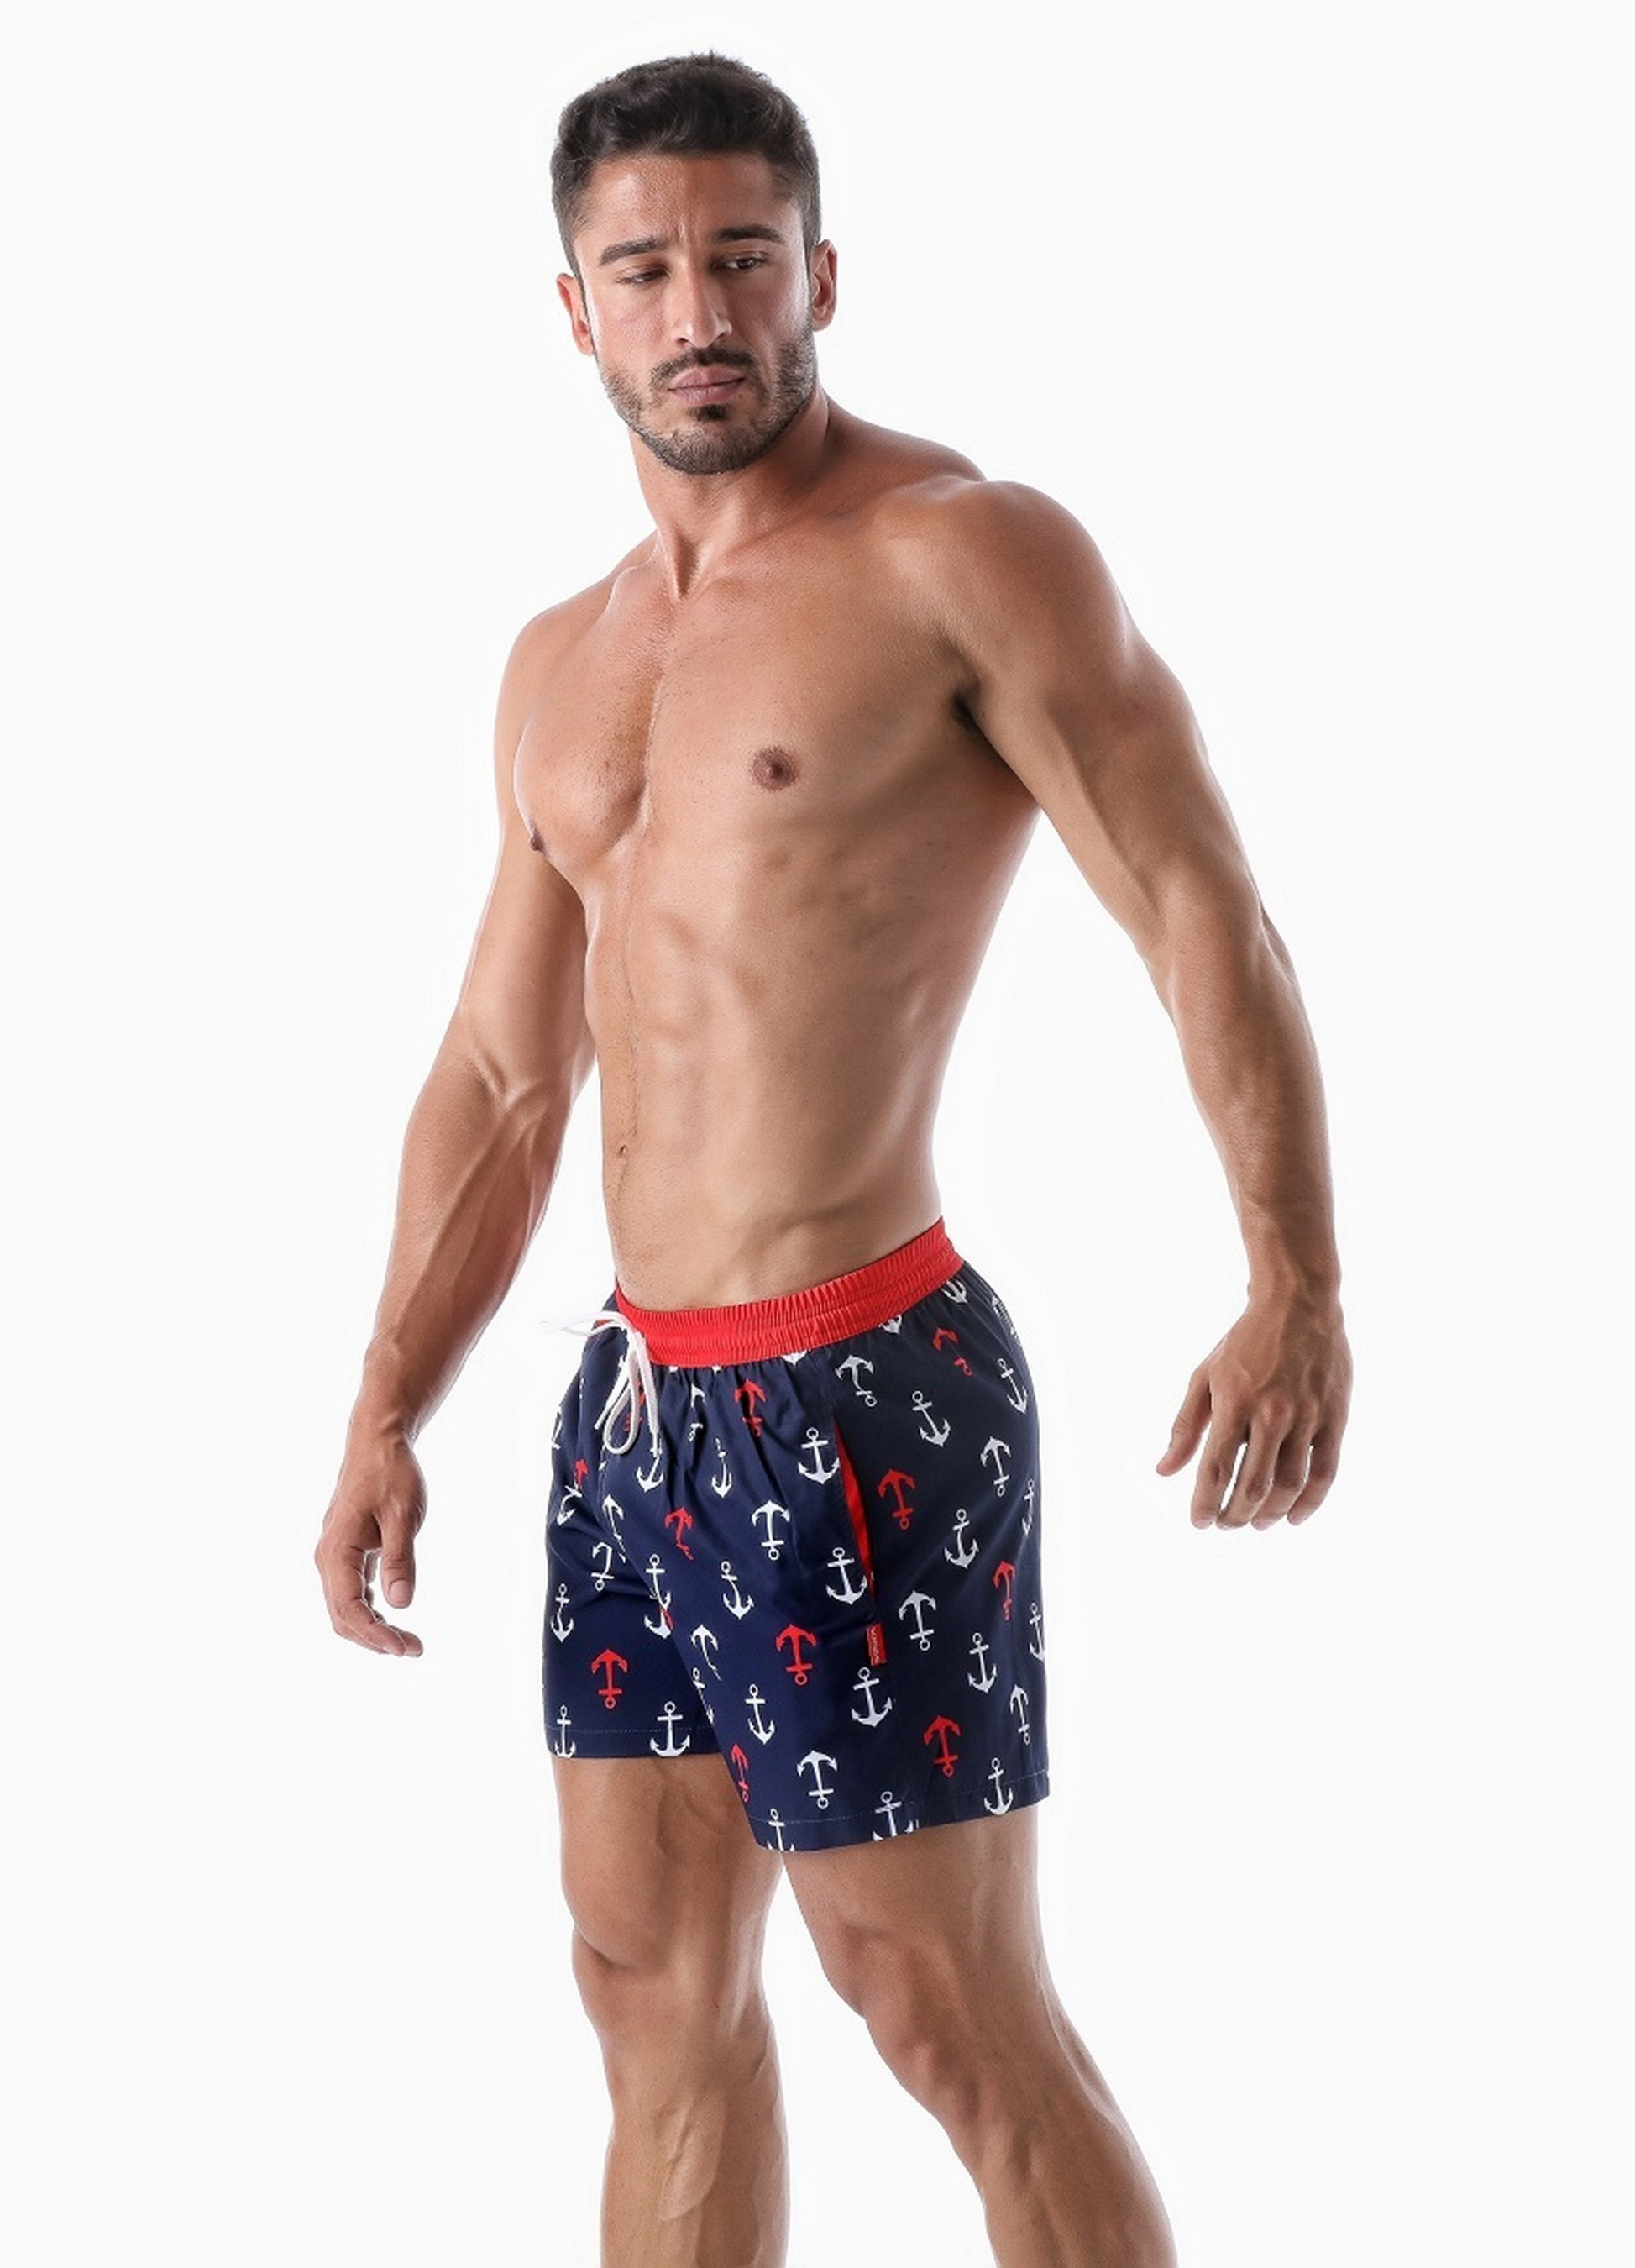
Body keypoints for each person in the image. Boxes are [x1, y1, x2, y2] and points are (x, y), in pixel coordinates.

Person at [316, 49, 1351, 2268]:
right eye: (644, 271)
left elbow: (1202, 909)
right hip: (636, 1409)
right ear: (574, 309)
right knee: (643, 1985)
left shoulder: (958, 555)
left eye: (742, 259)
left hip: (863, 1383)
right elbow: (501, 1071)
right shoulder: (560, 665)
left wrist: (1294, 1278)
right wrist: (388, 1395)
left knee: (940, 2005)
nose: (699, 311)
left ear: (822, 274)